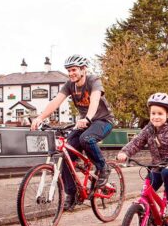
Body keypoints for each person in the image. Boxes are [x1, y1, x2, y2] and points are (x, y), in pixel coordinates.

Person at [31, 54, 116, 210]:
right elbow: (55, 102)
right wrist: (40, 117)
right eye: (69, 71)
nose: (71, 73)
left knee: (86, 138)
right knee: (65, 155)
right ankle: (72, 194)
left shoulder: (93, 81)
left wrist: (88, 118)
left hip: (103, 121)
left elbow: (95, 100)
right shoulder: (69, 85)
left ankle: (103, 167)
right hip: (85, 123)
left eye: (74, 70)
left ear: (83, 69)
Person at [116, 93, 168, 219]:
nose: (156, 117)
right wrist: (125, 153)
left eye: (160, 114)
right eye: (153, 113)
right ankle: (148, 215)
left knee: (167, 173)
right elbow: (137, 142)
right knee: (146, 190)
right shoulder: (149, 129)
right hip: (157, 167)